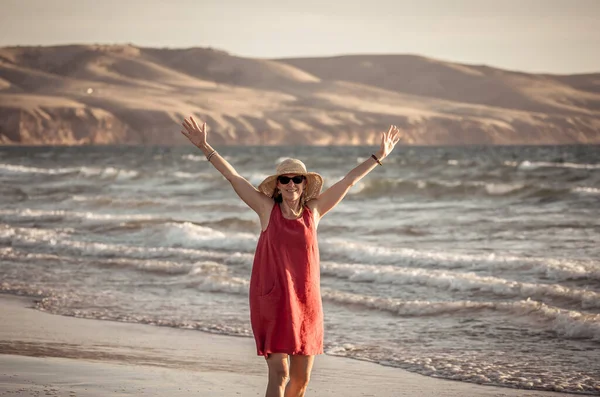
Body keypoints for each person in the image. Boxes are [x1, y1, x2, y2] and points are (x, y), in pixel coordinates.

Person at [180, 116, 401, 397]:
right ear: (278, 185)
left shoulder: (315, 212)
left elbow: (349, 180)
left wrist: (378, 156)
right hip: (273, 299)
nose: (292, 184)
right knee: (280, 374)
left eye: (297, 179)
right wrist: (204, 147)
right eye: (285, 179)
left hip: (306, 301)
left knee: (301, 380)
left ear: (304, 184)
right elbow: (234, 177)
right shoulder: (265, 209)